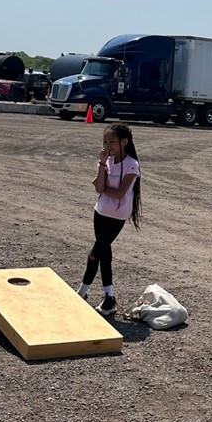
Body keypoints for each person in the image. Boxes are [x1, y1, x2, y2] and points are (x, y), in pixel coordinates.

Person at [77, 123, 141, 316]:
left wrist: (103, 188)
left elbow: (120, 193)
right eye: (105, 142)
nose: (107, 146)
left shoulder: (131, 164)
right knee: (104, 255)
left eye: (112, 142)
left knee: (94, 254)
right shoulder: (107, 161)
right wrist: (103, 164)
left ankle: (82, 293)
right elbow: (99, 188)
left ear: (124, 142)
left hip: (117, 217)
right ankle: (109, 297)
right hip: (100, 212)